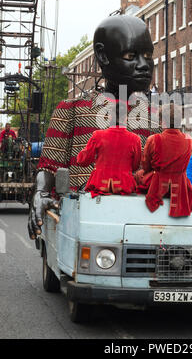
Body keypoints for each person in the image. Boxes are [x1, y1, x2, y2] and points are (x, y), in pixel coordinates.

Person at [28, 15, 159, 239]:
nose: (143, 65)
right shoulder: (72, 109)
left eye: (148, 56)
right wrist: (40, 192)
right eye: (130, 56)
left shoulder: (154, 117)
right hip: (83, 218)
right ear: (102, 55)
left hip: (140, 222)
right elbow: (49, 166)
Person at [136, 103, 192, 217]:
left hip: (157, 183)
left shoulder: (154, 139)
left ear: (162, 121)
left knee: (138, 175)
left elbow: (145, 166)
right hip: (180, 185)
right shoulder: (188, 140)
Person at [77, 106, 141, 197]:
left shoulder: (98, 135)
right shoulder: (135, 139)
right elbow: (135, 166)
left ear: (110, 117)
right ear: (126, 118)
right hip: (124, 185)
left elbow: (83, 161)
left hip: (99, 184)